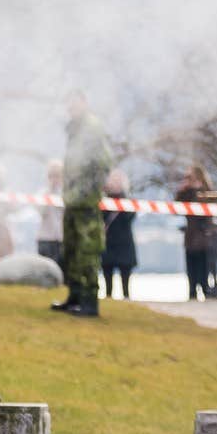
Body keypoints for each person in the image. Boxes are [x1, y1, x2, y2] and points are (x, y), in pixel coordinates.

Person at [53, 93, 112, 317]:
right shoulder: (73, 129)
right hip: (73, 200)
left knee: (87, 251)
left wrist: (86, 191)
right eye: (69, 103)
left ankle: (89, 301)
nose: (71, 107)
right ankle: (75, 296)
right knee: (71, 249)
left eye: (75, 102)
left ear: (84, 103)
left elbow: (102, 164)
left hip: (85, 203)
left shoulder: (92, 128)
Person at [178, 164, 217, 300]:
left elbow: (209, 211)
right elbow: (177, 206)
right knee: (190, 264)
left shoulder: (206, 191)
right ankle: (192, 291)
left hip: (203, 234)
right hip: (190, 234)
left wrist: (198, 189)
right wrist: (183, 190)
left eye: (190, 177)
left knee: (204, 264)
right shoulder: (186, 193)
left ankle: (205, 289)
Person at [99, 169, 137, 301]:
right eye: (113, 180)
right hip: (108, 242)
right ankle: (108, 299)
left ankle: (126, 299)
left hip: (124, 243)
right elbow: (99, 218)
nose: (115, 183)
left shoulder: (128, 200)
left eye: (118, 180)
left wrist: (122, 200)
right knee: (107, 276)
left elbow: (130, 217)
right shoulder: (102, 200)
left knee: (125, 277)